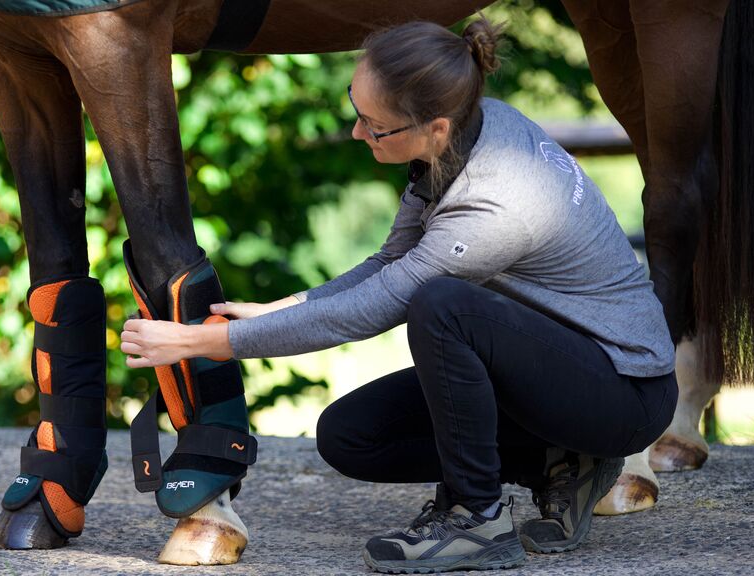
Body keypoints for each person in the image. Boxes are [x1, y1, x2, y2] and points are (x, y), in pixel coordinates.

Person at [120, 17, 677, 573]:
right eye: (355, 107)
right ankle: (561, 463)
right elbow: (389, 263)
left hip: (623, 393)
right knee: (351, 436)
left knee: (443, 307)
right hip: (551, 368)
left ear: (435, 127)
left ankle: (477, 519)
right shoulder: (465, 132)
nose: (357, 132)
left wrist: (199, 343)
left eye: (374, 125)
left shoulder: (493, 206)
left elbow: (375, 307)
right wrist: (281, 309)